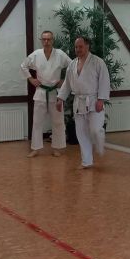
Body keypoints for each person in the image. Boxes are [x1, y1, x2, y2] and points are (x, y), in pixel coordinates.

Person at [56, 36, 111, 169]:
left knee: (96, 129)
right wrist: (60, 98)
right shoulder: (72, 64)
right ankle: (87, 161)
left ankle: (100, 143)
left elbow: (104, 81)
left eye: (80, 46)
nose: (78, 49)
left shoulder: (98, 62)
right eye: (76, 47)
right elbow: (67, 84)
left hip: (94, 100)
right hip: (79, 101)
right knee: (81, 133)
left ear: (87, 46)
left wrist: (101, 99)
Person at [20, 30, 71, 157]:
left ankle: (57, 147)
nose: (46, 42)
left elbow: (72, 66)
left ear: (53, 40)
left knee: (58, 122)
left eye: (49, 39)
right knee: (37, 122)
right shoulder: (36, 54)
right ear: (41, 41)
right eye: (44, 39)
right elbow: (23, 65)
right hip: (41, 92)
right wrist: (31, 79)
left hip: (55, 92)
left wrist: (64, 80)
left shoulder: (60, 54)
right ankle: (35, 148)